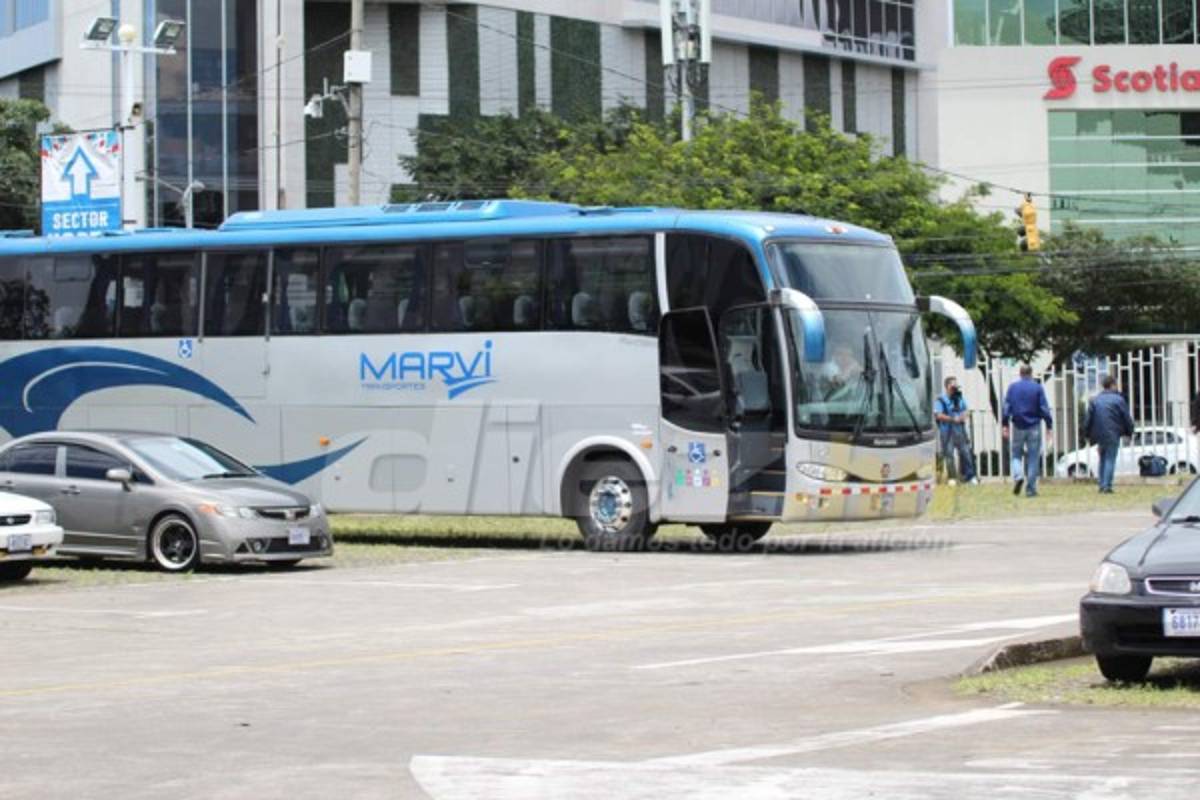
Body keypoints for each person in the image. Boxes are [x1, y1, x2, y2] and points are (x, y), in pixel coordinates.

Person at [1002, 364, 1054, 497]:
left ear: (1020, 373)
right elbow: (1044, 408)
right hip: (1034, 426)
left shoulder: (1012, 388)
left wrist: (1005, 425)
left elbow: (1006, 407)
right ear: (1031, 374)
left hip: (1018, 425)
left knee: (1016, 454)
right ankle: (1030, 489)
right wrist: (1049, 425)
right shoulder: (1037, 388)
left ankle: (1018, 475)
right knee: (1033, 457)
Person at [1083, 374, 1135, 494]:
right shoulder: (1118, 400)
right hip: (1113, 433)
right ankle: (1107, 486)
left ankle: (1101, 484)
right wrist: (1130, 431)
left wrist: (1086, 434)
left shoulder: (1095, 400)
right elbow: (1126, 418)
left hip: (1099, 434)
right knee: (1110, 459)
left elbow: (1088, 419)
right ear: (1112, 385)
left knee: (1103, 458)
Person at [936, 376, 977, 484]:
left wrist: (963, 416)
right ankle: (952, 478)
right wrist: (953, 419)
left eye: (956, 386)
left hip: (960, 431)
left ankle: (970, 476)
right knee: (949, 455)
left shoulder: (959, 398)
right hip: (947, 432)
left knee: (966, 453)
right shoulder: (940, 400)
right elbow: (938, 415)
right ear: (947, 386)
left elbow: (967, 410)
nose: (955, 388)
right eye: (953, 386)